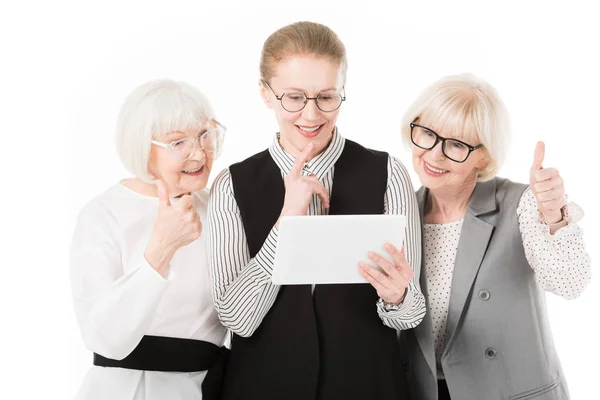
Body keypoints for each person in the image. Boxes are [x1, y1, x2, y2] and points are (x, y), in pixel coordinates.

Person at [207, 21, 425, 400]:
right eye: (294, 97)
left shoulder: (389, 173)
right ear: (265, 93)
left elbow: (411, 315)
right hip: (262, 388)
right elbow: (238, 319)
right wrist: (286, 222)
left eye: (326, 97)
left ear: (343, 91)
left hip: (369, 386)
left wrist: (397, 297)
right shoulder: (230, 185)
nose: (311, 116)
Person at [394, 73, 591, 400]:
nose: (434, 154)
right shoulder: (400, 213)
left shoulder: (522, 204)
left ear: (484, 156)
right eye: (427, 133)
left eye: (456, 144)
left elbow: (570, 283)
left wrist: (555, 216)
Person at [70, 79, 228, 400]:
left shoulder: (220, 208)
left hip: (209, 388)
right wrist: (161, 250)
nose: (198, 153)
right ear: (143, 148)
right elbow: (106, 339)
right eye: (178, 142)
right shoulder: (102, 215)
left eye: (204, 135)